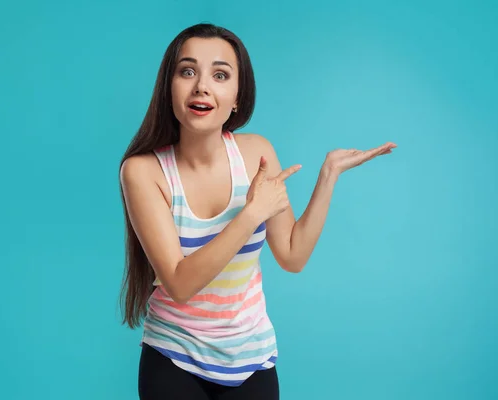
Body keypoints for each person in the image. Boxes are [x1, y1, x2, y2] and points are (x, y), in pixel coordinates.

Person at [118, 23, 396, 400]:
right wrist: (250, 214)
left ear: (236, 97)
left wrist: (328, 174)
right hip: (174, 356)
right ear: (169, 88)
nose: (202, 85)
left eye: (220, 74)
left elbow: (293, 255)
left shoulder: (255, 153)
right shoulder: (143, 171)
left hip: (251, 357)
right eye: (187, 71)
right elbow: (179, 284)